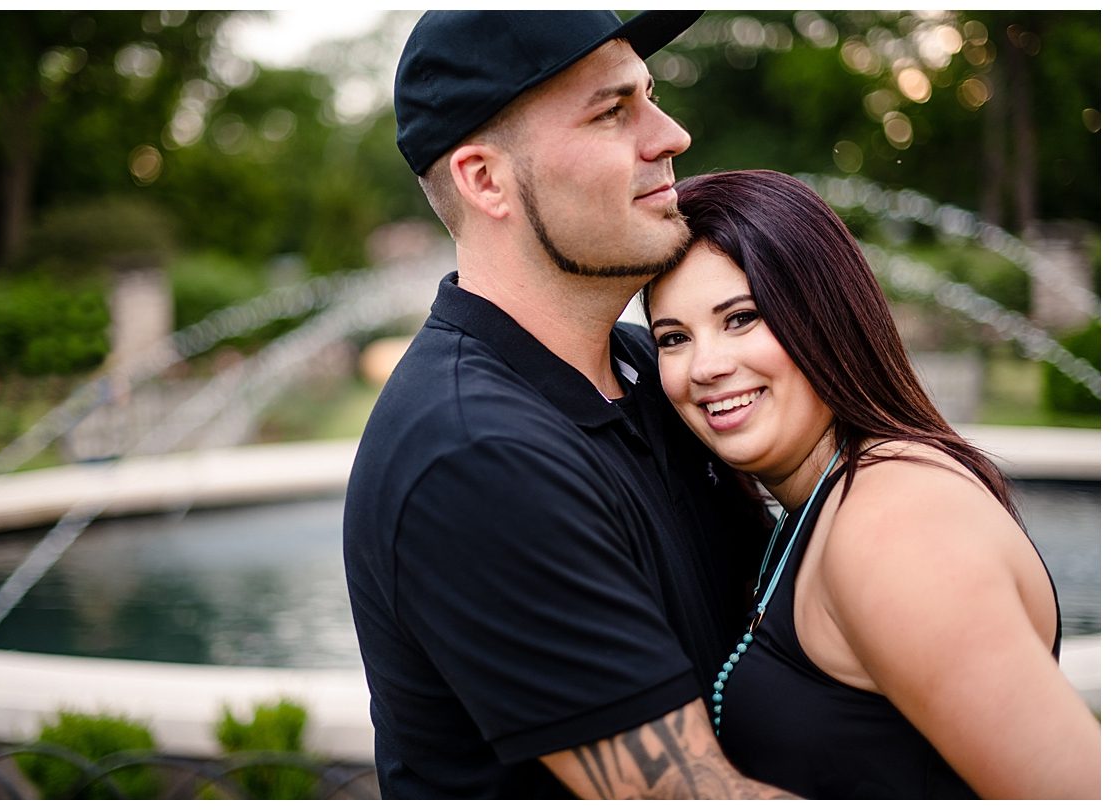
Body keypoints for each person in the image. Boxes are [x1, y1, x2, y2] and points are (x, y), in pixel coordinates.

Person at [342, 11, 791, 798]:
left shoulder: (658, 369)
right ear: (485, 179)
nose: (672, 135)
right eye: (613, 112)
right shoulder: (476, 457)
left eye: (650, 97)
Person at [643, 169, 1098, 799]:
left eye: (742, 318)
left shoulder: (895, 524)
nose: (707, 367)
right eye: (673, 338)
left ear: (825, 315)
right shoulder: (827, 502)